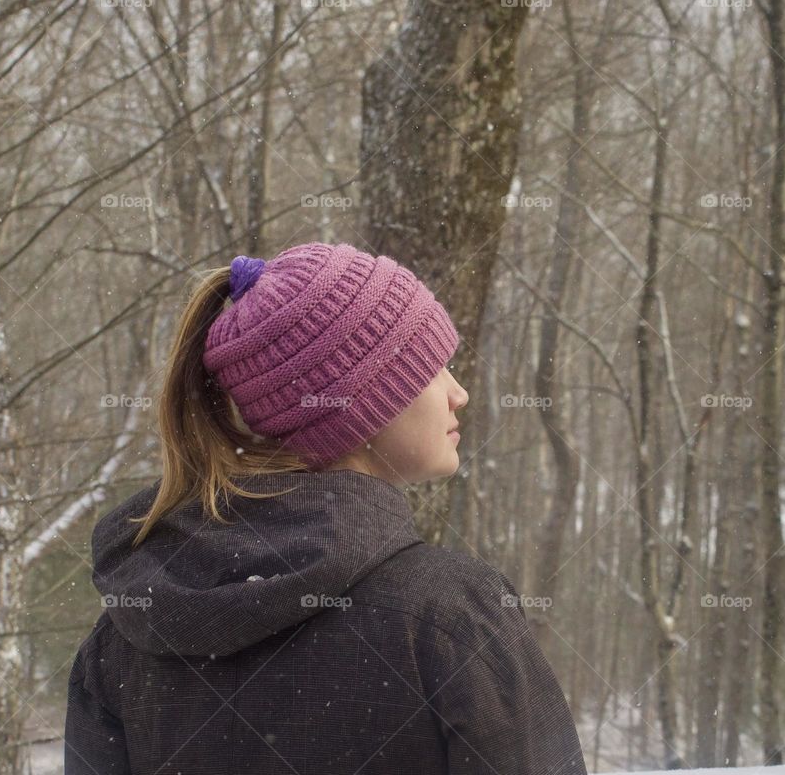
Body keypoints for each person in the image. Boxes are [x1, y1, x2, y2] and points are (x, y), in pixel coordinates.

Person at [65, 241, 588, 775]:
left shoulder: (125, 637)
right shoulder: (451, 613)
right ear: (363, 403)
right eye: (434, 368)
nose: (459, 394)